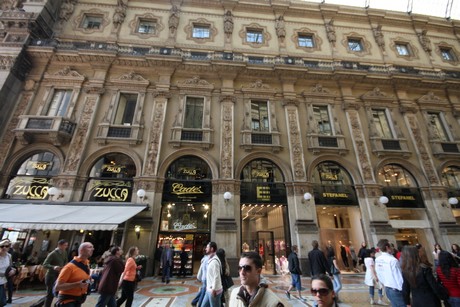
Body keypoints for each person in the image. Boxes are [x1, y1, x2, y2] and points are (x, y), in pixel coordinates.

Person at [54, 242, 94, 307]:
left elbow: (82, 282)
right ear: (81, 250)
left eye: (92, 247)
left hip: (78, 300)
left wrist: (89, 281)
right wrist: (77, 284)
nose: (92, 249)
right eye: (89, 247)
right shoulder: (69, 267)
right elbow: (57, 287)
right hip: (67, 302)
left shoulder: (86, 265)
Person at [31, 239, 69, 307]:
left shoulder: (64, 252)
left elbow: (65, 261)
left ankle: (36, 305)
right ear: (59, 245)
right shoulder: (53, 253)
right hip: (51, 276)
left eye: (66, 245)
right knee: (50, 294)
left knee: (53, 293)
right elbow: (45, 264)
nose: (66, 247)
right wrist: (54, 267)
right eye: (64, 245)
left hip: (59, 275)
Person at [375, 239, 405, 307]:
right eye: (391, 246)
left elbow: (379, 274)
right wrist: (403, 291)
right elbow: (398, 277)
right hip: (396, 289)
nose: (393, 248)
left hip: (387, 288)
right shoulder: (392, 260)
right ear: (387, 247)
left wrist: (385, 283)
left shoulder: (378, 259)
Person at [201, 241, 222, 307]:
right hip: (209, 289)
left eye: (207, 247)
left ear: (212, 249)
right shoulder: (210, 259)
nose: (205, 249)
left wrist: (214, 289)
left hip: (214, 291)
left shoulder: (214, 261)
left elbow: (217, 276)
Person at [0, 239, 17, 306]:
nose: (4, 247)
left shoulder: (9, 256)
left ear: (9, 247)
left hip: (3, 280)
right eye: (2, 246)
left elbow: (11, 266)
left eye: (6, 246)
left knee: (2, 302)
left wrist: (13, 270)